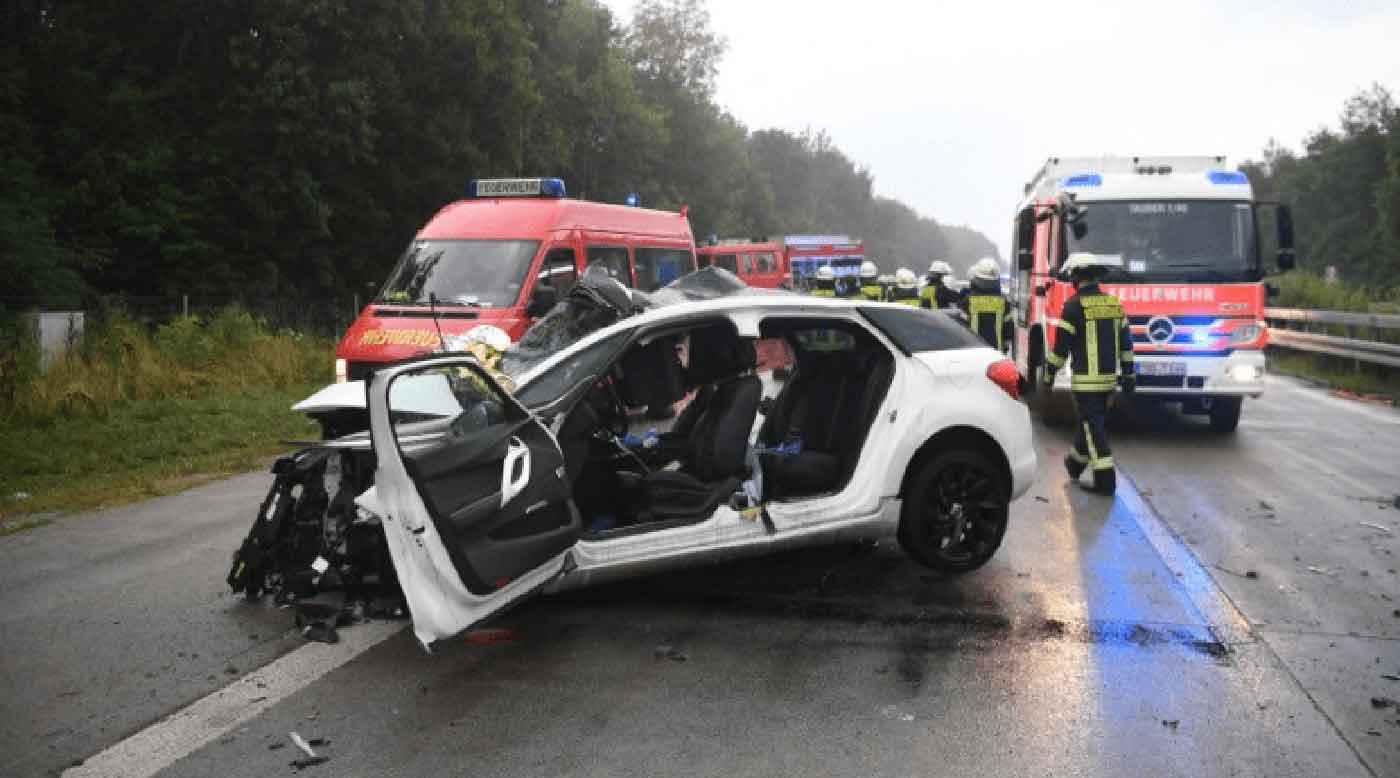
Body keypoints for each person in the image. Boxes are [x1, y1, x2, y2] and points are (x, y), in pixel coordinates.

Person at [1043, 253, 1135, 495]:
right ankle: (1074, 465)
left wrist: (1048, 375)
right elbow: (1126, 345)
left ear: (1075, 278)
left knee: (1094, 431)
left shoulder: (1073, 306)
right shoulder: (1113, 304)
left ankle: (1105, 481)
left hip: (1086, 384)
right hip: (1108, 382)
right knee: (1091, 424)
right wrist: (1128, 376)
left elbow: (1060, 350)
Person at [962, 257, 1013, 353]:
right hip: (996, 352)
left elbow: (961, 326)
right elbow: (1008, 327)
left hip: (972, 351)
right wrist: (1005, 345)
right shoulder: (1003, 302)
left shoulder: (968, 301)